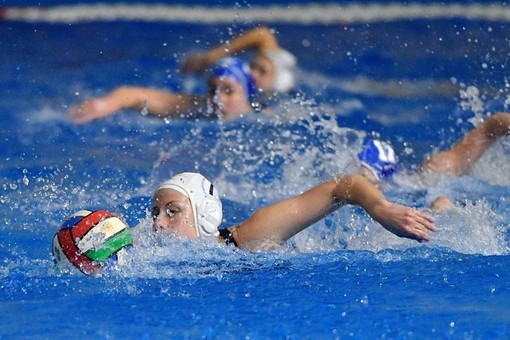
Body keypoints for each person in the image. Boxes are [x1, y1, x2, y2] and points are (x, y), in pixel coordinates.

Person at [151, 172, 437, 252]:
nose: (158, 223)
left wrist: (382, 208)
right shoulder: (149, 253)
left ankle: (441, 208)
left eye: (172, 211)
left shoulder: (246, 239)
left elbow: (339, 186)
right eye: (155, 213)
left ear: (205, 215)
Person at [357, 112, 510, 210]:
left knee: (440, 202)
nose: (356, 179)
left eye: (362, 173)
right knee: (441, 203)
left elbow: (489, 128)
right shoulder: (427, 174)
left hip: (434, 212)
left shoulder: (434, 169)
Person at [69, 57, 258, 124]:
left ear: (247, 93)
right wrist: (108, 103)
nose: (218, 99)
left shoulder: (264, 118)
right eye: (212, 90)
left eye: (229, 91)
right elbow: (134, 94)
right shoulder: (197, 106)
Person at [181, 26, 297, 95]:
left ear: (275, 76)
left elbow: (263, 34)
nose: (253, 74)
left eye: (262, 71)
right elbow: (261, 33)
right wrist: (208, 59)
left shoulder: (280, 87)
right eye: (252, 66)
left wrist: (208, 58)